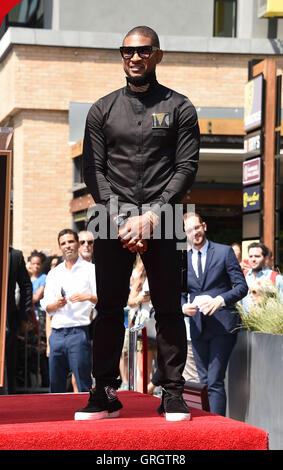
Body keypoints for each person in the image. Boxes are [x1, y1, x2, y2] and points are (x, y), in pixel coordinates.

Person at [75, 25, 200, 421]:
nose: (134, 57)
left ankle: (172, 392)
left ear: (157, 55)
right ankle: (104, 391)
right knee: (109, 307)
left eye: (143, 51)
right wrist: (124, 218)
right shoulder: (102, 108)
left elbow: (186, 168)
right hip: (108, 215)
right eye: (127, 51)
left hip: (164, 215)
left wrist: (151, 216)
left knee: (168, 306)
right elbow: (93, 172)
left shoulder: (180, 107)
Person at [182, 212, 248, 416]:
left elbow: (242, 287)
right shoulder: (182, 259)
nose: (195, 233)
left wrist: (220, 300)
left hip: (223, 325)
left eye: (197, 228)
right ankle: (207, 428)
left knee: (215, 380)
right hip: (198, 326)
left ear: (204, 226)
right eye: (189, 230)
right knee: (203, 381)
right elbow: (179, 292)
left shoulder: (224, 252)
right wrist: (183, 307)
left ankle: (219, 430)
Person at [40, 229, 97, 393]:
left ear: (78, 244)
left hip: (78, 332)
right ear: (60, 248)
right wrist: (57, 304)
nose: (67, 246)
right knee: (55, 385)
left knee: (83, 382)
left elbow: (100, 299)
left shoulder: (90, 270)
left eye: (70, 242)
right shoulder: (54, 273)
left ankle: (88, 411)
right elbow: (47, 307)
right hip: (57, 334)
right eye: (63, 243)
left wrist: (86, 296)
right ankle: (55, 418)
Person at [2, 247, 32, 394]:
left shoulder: (14, 256)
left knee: (8, 365)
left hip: (8, 321)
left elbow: (26, 285)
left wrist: (22, 316)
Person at [128, 262, 157, 394]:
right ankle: (143, 396)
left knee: (165, 366)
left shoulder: (162, 271)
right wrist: (140, 298)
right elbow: (130, 302)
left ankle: (152, 388)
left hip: (160, 325)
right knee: (143, 369)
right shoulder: (140, 276)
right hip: (144, 327)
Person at [241, 242, 283, 313]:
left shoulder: (277, 278)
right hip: (245, 323)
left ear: (266, 258)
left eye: (257, 256)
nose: (253, 259)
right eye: (250, 256)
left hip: (267, 322)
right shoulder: (243, 277)